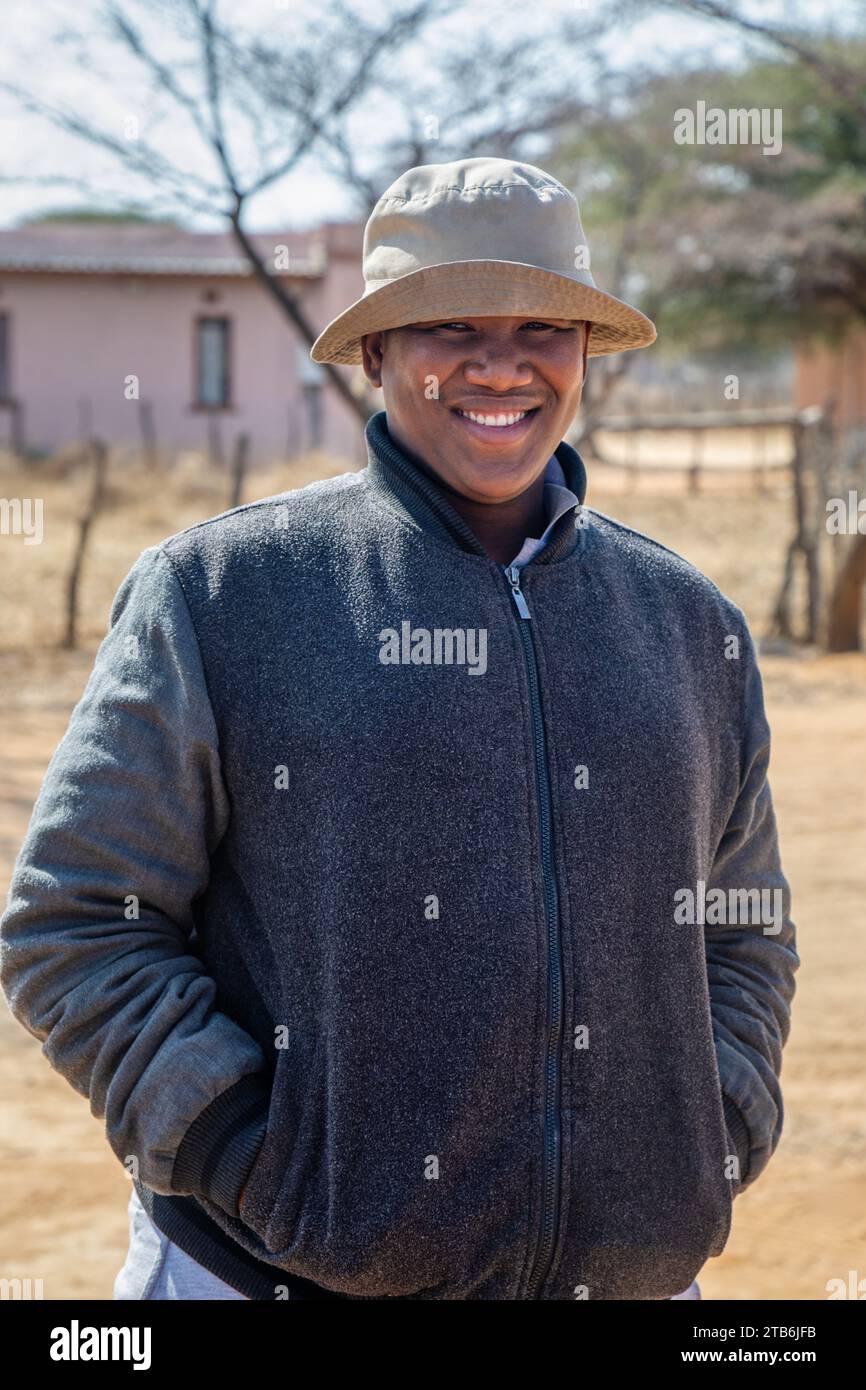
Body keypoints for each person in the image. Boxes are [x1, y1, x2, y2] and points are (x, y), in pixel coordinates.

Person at [0, 157, 799, 1301]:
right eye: (448, 326)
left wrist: (708, 1133)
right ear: (375, 352)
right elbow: (75, 920)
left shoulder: (683, 623)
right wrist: (251, 1154)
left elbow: (741, 925)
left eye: (540, 324)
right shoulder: (225, 594)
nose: (498, 363)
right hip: (266, 1276)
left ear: (583, 352)